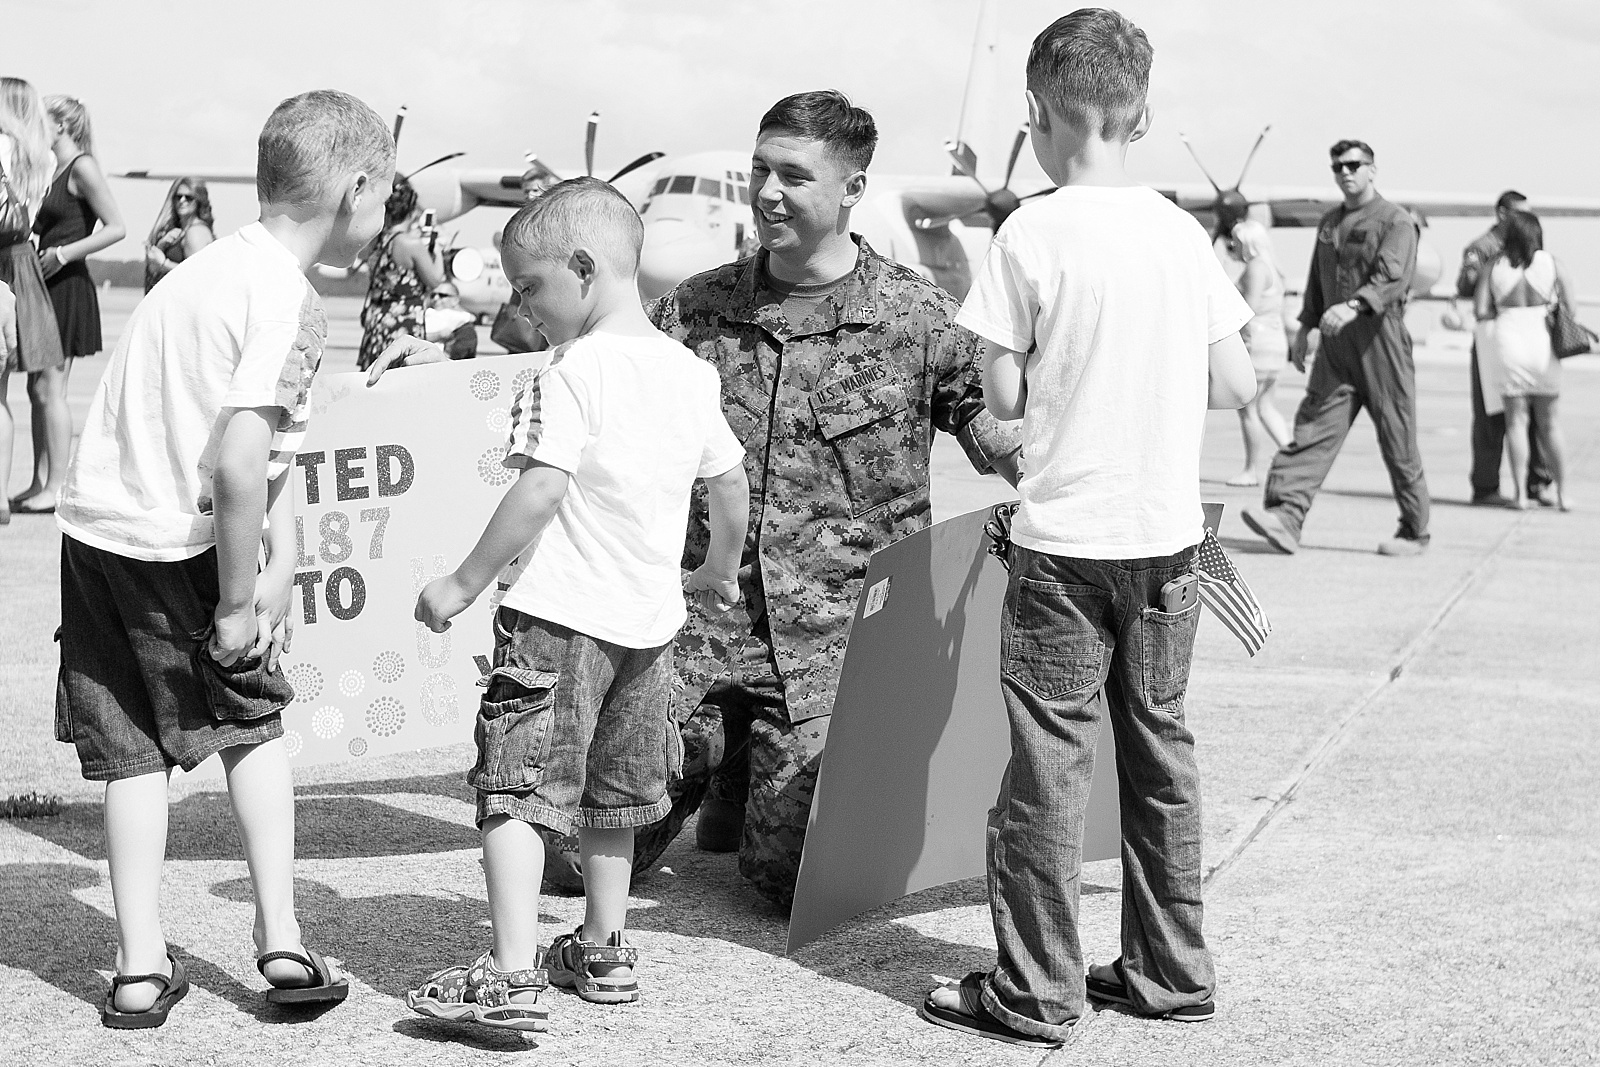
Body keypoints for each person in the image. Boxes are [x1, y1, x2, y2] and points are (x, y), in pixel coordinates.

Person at [915, 9, 1255, 1049]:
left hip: (1066, 544)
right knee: (1161, 752)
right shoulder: (1177, 230)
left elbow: (1004, 389)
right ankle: (1168, 967)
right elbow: (1239, 375)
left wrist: (1027, 413)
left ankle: (1033, 990)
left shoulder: (1030, 232)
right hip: (1169, 543)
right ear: (1141, 113)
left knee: (1048, 769)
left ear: (1035, 112)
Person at [52, 89, 393, 1028]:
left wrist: (283, 544)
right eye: (384, 199)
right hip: (188, 547)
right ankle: (280, 936)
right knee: (252, 725)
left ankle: (136, 965)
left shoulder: (198, 273)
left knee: (129, 753)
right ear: (355, 187)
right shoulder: (290, 300)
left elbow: (214, 431)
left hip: (99, 533)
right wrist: (241, 601)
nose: (382, 220)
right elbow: (241, 459)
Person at [637, 90, 1022, 909]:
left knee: (794, 883)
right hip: (699, 627)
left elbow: (998, 437)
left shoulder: (917, 318)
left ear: (852, 189)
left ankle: (748, 773)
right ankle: (723, 757)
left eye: (793, 177)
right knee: (573, 853)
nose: (767, 193)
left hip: (835, 650)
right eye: (759, 171)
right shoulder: (693, 313)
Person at [398, 178, 750, 1033]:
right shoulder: (690, 370)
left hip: (557, 620)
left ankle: (514, 974)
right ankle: (602, 946)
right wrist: (719, 570)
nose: (523, 305)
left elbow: (542, 487)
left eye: (530, 286)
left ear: (584, 269)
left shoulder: (573, 370)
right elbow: (730, 483)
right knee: (616, 798)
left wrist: (462, 581)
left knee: (516, 791)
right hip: (648, 628)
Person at [1241, 139, 1428, 557]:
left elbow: (1392, 275)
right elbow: (1316, 281)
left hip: (1381, 342)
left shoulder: (1396, 221)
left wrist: (1356, 306)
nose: (1345, 172)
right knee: (1313, 428)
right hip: (1335, 344)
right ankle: (1286, 516)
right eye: (1338, 167)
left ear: (1372, 169)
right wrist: (1305, 327)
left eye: (1354, 165)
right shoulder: (1329, 223)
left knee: (1398, 438)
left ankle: (1415, 531)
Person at [10, 95, 126, 516]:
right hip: (44, 285)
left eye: (43, 121)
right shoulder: (53, 170)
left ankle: (56, 486)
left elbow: (117, 227)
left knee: (50, 389)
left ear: (61, 126)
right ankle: (38, 481)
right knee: (36, 387)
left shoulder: (82, 167)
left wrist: (62, 254)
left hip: (68, 285)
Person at [1452, 190, 1552, 506]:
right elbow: (1466, 287)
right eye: (1521, 214)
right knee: (1490, 416)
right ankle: (1485, 486)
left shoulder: (1531, 248)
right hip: (1491, 340)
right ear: (1502, 214)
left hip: (1526, 340)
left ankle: (1538, 483)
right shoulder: (1482, 249)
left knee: (1537, 414)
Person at [0, 76, 65, 527]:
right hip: (25, 261)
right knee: (41, 385)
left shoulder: (2, 148)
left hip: (4, 262)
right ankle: (7, 495)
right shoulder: (41, 157)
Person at [1473, 209, 1570, 511]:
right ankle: (1562, 493)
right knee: (1550, 424)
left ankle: (1520, 495)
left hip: (1509, 342)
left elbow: (1480, 309)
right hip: (1542, 344)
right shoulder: (1551, 262)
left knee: (1516, 423)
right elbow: (1572, 306)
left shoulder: (1495, 265)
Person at [1225, 218, 1289, 486]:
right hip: (1276, 343)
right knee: (1266, 407)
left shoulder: (1255, 268)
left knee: (1248, 410)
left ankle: (1251, 470)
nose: (1232, 246)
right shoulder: (1273, 267)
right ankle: (1294, 457)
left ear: (1248, 243)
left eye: (1237, 242)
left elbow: (1245, 311)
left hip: (1257, 346)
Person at [357, 174, 443, 370]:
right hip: (403, 326)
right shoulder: (411, 243)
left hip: (378, 324)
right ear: (412, 211)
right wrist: (436, 249)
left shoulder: (377, 241)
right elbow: (435, 280)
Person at [143, 177, 215, 291]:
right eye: (178, 197)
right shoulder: (180, 230)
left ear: (199, 200)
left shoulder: (195, 232)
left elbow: (197, 275)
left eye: (189, 198)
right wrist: (162, 246)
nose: (182, 200)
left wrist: (163, 264)